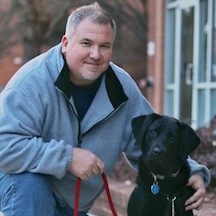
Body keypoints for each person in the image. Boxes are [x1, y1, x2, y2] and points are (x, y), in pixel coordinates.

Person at [0, 2, 210, 216]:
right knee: (29, 184)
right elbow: (4, 145)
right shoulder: (31, 82)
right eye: (86, 43)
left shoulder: (122, 88)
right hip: (25, 191)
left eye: (104, 46)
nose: (95, 54)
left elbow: (151, 139)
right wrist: (68, 157)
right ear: (65, 43)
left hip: (74, 204)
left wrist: (190, 171)